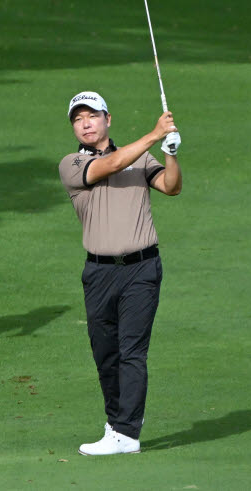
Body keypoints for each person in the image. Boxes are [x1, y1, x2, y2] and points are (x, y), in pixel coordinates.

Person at [58, 91, 182, 455]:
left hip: (142, 269)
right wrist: (154, 134)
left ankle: (126, 433)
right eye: (78, 118)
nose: (85, 122)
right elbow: (108, 167)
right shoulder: (71, 164)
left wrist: (171, 154)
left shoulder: (141, 158)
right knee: (105, 355)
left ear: (107, 119)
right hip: (98, 272)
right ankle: (116, 424)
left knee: (132, 351)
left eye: (92, 115)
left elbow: (171, 187)